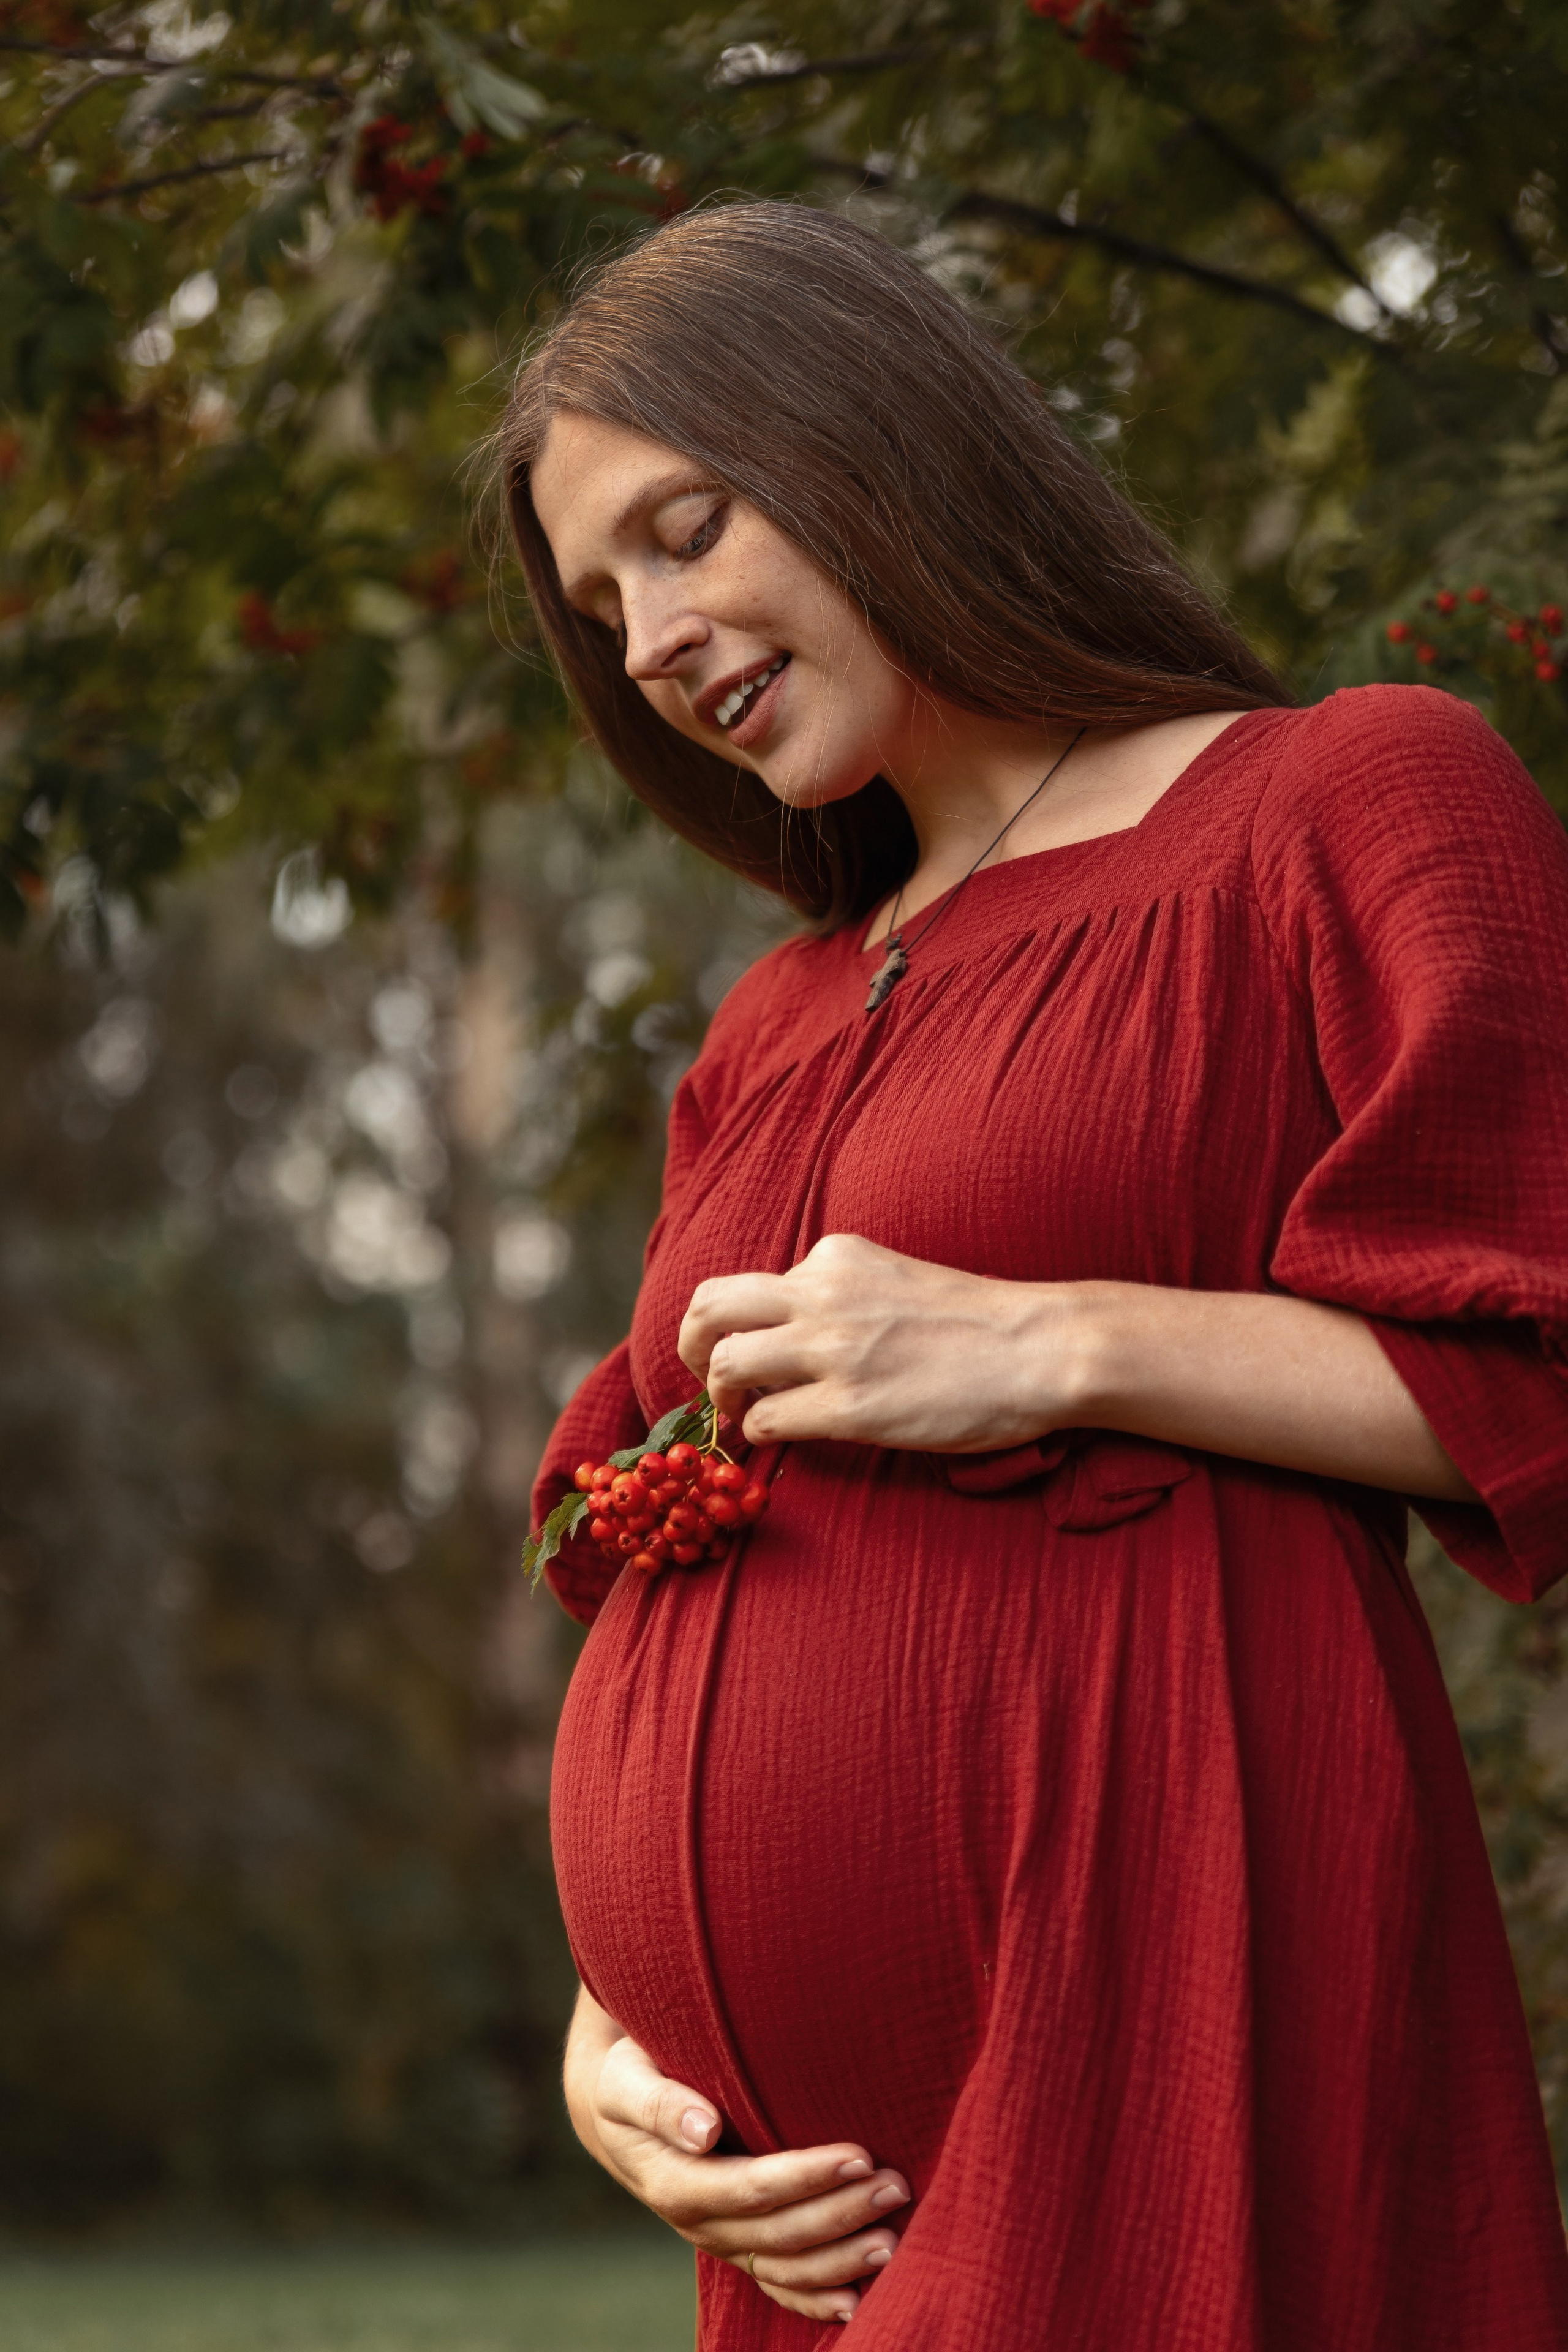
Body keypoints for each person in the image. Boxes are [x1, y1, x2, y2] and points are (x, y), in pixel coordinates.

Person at [494, 199, 1568, 2348]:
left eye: (687, 533)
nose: (654, 641)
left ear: (873, 436)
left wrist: (1053, 1343)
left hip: (1156, 1982)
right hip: (808, 2202)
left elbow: (1536, 1361)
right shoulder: (776, 1020)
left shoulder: (1339, 802)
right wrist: (614, 2035)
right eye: (605, 607)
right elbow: (656, 1534)